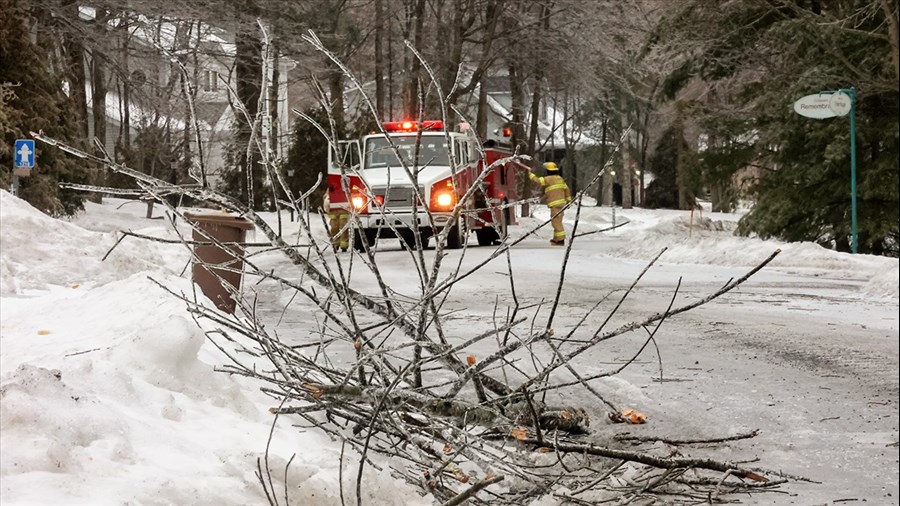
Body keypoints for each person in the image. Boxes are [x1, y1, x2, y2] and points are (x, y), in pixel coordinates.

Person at [527, 161, 572, 245]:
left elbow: (538, 181)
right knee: (558, 221)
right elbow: (567, 189)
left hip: (555, 204)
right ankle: (556, 239)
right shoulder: (559, 179)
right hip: (561, 204)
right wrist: (568, 200)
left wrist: (530, 174)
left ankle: (560, 240)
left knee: (556, 222)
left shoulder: (549, 179)